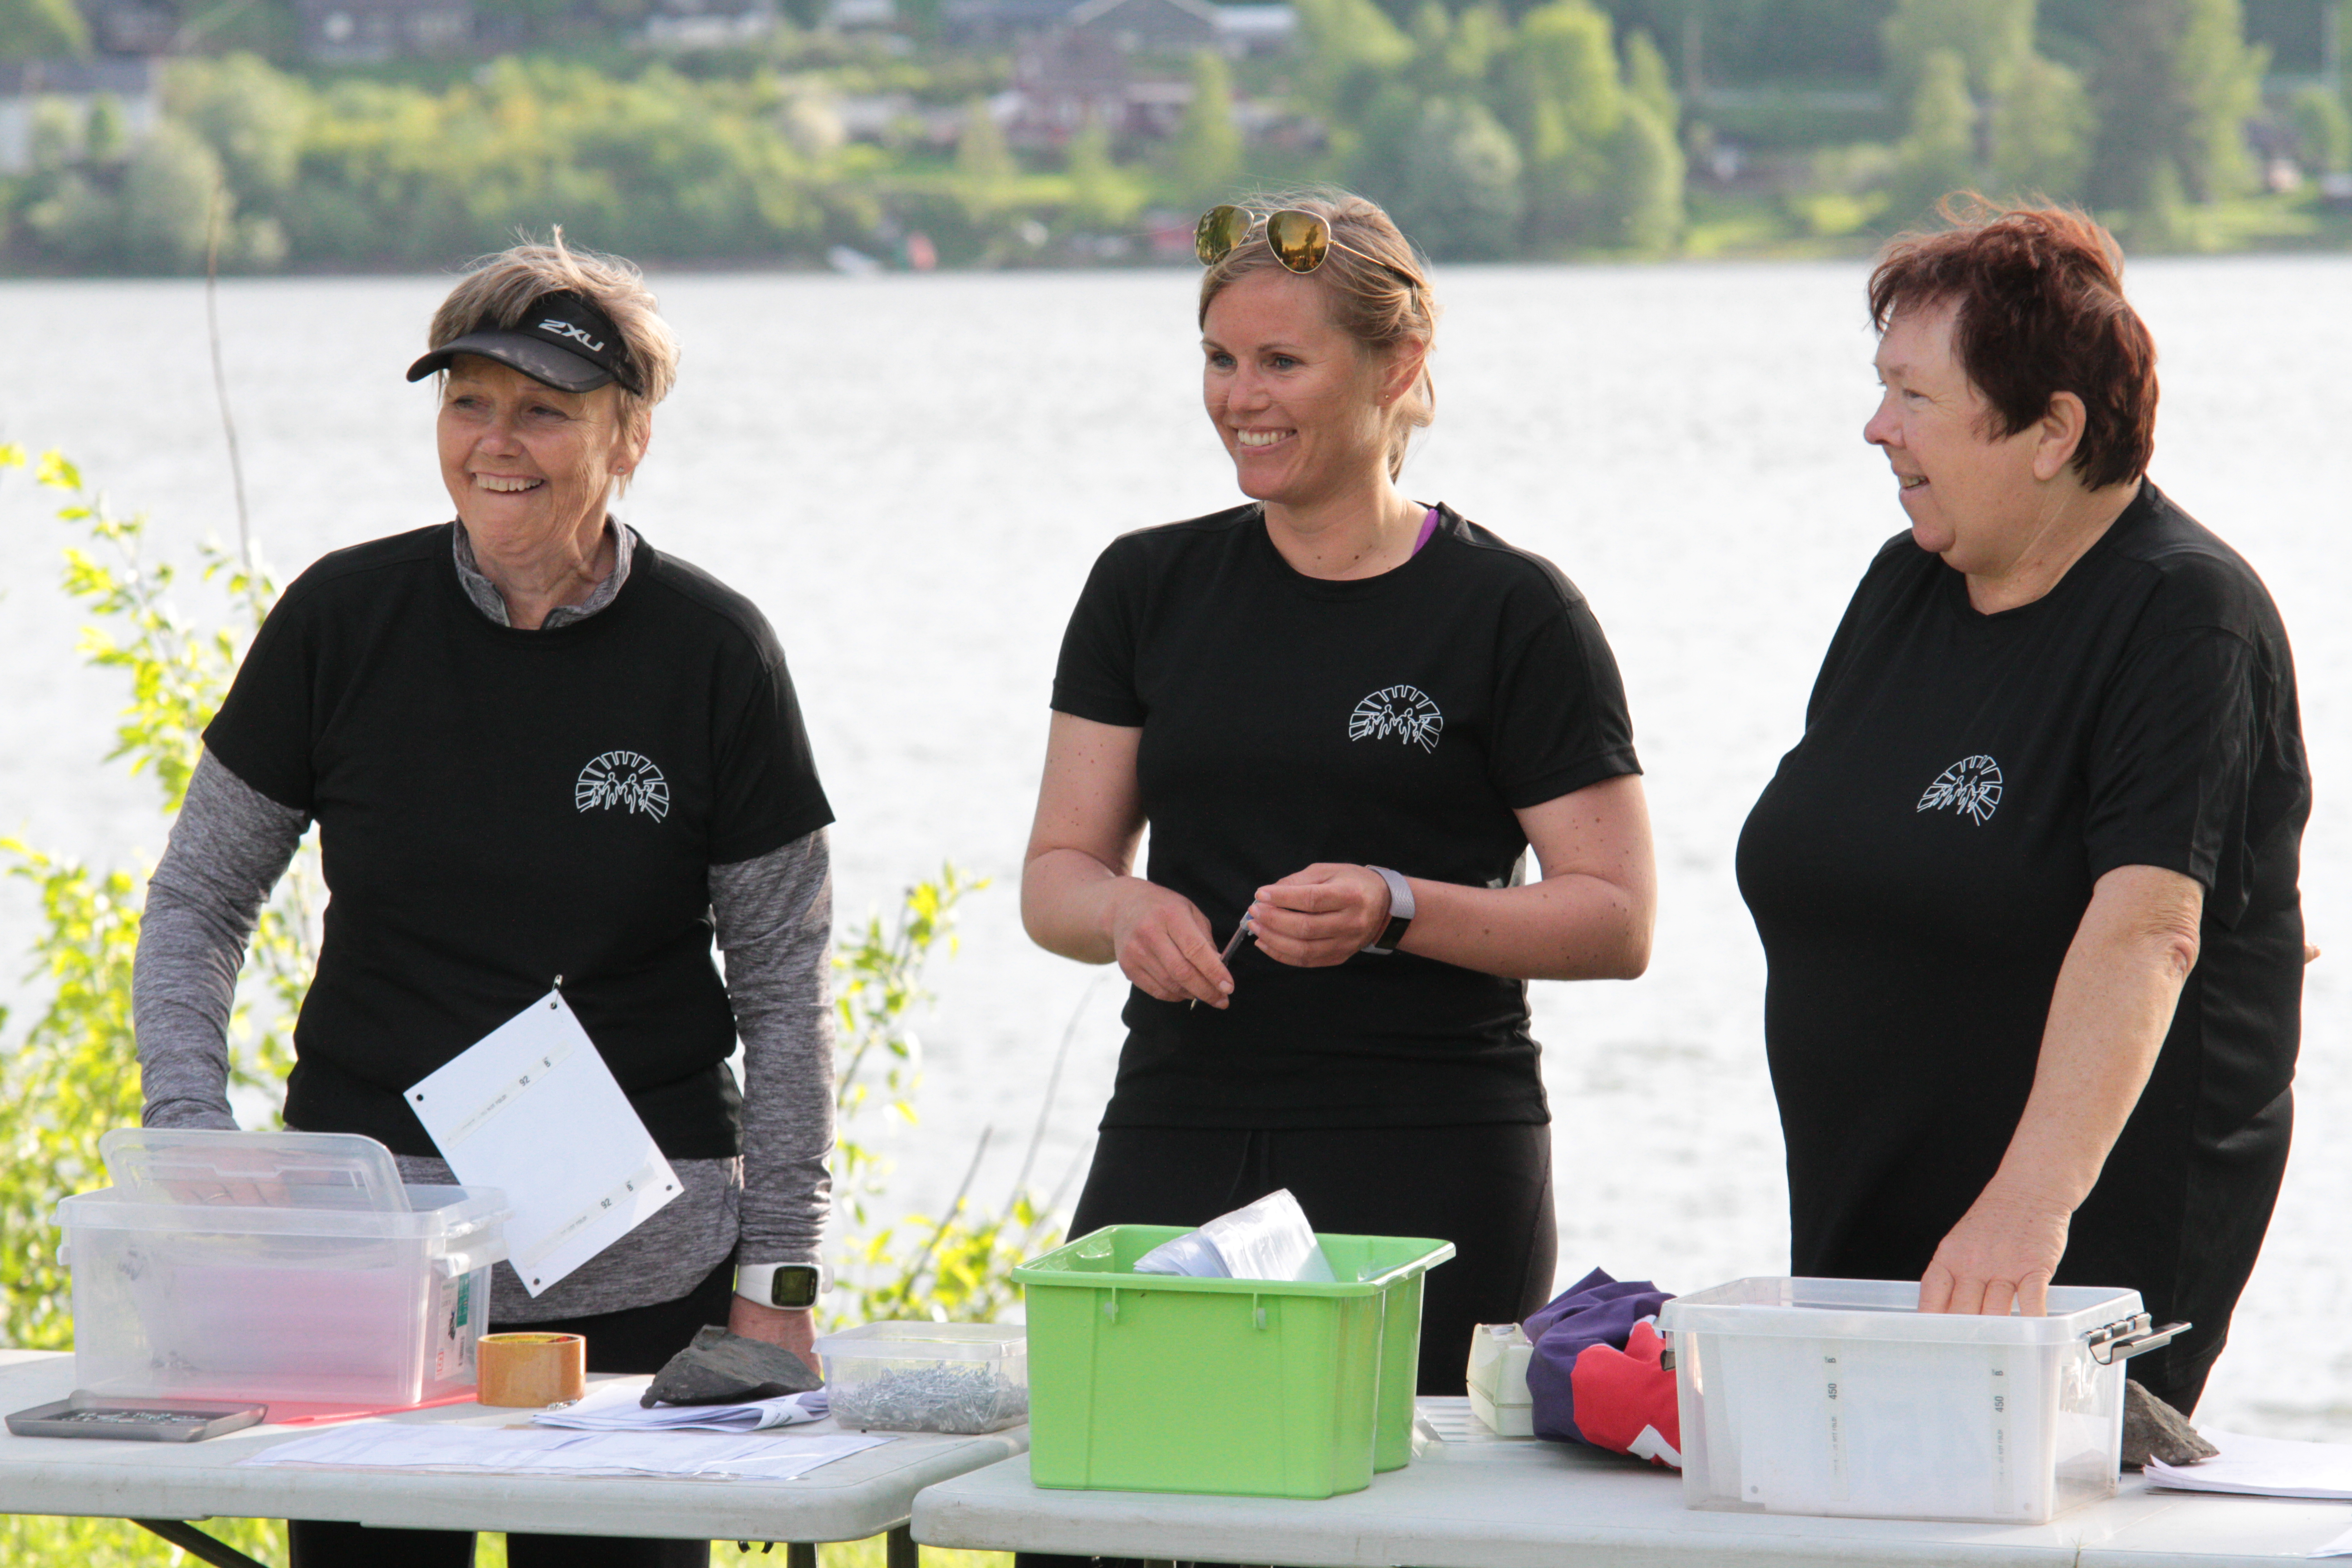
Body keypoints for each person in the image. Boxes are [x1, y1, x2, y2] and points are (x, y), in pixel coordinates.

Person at [132, 235, 837, 1568]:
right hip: (371, 1269)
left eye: (546, 411)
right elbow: (198, 901)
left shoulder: (716, 651)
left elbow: (786, 992)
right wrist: (191, 1133)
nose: (495, 443)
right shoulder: (342, 620)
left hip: (635, 1273)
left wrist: (777, 1284)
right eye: (468, 401)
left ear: (630, 437)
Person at [1020, 191, 1657, 1402]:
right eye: (1218, 359)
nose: (1237, 397)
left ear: (1396, 365)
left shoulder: (1512, 612)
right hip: (1179, 1117)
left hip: (1430, 1143)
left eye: (1280, 362)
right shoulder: (1144, 586)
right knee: (1110, 1501)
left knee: (1393, 1510)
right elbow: (1057, 874)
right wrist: (1122, 913)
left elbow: (1617, 918)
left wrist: (1397, 904)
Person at [1736, 200, 2309, 1414]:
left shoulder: (2184, 617)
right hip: (1872, 1224)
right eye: (1882, 388)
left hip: (2059, 1256)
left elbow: (2153, 927)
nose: (1877, 428)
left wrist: (2024, 1212)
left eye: (1915, 397)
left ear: (2053, 430)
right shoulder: (1906, 586)